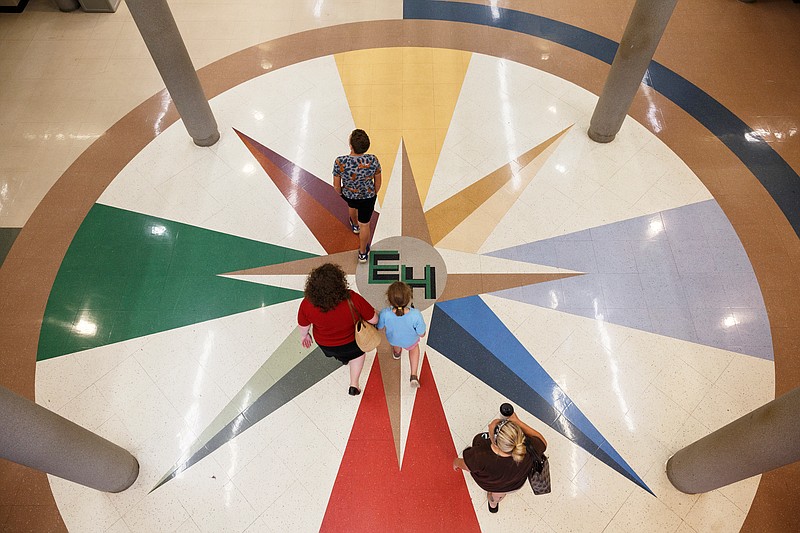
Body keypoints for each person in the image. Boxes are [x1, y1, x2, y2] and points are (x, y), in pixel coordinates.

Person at [297, 263, 378, 395]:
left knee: (341, 355)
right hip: (353, 342)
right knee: (358, 356)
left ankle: (344, 360)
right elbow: (374, 319)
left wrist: (304, 336)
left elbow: (303, 326)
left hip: (326, 345)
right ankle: (354, 384)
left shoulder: (307, 303)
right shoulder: (352, 298)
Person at [452, 411, 547, 513]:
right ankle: (494, 504)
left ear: (494, 443)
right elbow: (543, 442)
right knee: (500, 493)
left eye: (490, 428)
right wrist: (518, 421)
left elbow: (467, 466)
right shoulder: (528, 448)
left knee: (496, 492)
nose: (489, 425)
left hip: (491, 484)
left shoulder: (480, 457)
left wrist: (456, 462)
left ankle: (493, 503)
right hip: (515, 484)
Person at [333, 129, 382, 263]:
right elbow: (378, 181)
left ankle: (354, 225)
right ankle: (362, 253)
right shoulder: (373, 160)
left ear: (351, 146)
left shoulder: (340, 162)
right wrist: (373, 193)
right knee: (365, 225)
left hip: (349, 194)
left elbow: (336, 186)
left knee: (352, 206)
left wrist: (341, 193)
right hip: (368, 196)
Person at [376, 281, 426, 388]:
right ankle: (413, 375)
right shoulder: (416, 314)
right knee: (414, 349)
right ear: (409, 299)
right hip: (410, 341)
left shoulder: (384, 313)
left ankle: (397, 353)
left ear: (389, 300)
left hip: (393, 339)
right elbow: (421, 334)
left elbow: (379, 327)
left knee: (396, 344)